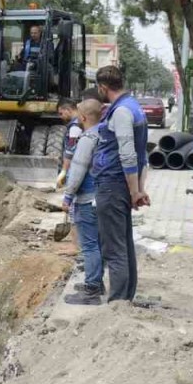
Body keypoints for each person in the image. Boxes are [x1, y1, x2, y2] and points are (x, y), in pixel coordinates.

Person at [90, 65, 149, 303]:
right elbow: (142, 153)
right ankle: (125, 299)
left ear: (103, 87)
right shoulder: (133, 107)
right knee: (123, 244)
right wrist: (138, 189)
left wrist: (136, 191)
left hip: (112, 185)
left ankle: (117, 304)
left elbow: (129, 155)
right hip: (120, 186)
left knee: (114, 249)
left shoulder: (122, 112)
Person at [61, 98, 105, 305]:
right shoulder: (104, 134)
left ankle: (91, 290)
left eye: (79, 114)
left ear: (84, 117)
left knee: (89, 246)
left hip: (87, 199)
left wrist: (68, 195)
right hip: (101, 197)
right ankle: (97, 281)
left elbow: (77, 170)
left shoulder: (88, 139)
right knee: (97, 242)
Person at [55, 98, 82, 188]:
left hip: (76, 167)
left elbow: (70, 151)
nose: (60, 117)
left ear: (68, 110)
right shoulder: (82, 121)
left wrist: (64, 171)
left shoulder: (75, 127)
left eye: (61, 113)